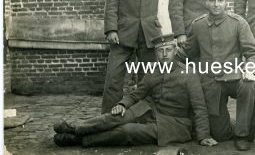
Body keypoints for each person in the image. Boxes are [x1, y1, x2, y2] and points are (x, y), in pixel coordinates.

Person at [53, 34, 217, 148]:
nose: (165, 54)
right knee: (116, 117)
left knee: (128, 131)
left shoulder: (188, 73)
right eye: (160, 50)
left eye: (168, 49)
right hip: (150, 110)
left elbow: (199, 107)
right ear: (156, 53)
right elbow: (137, 93)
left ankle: (79, 140)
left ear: (175, 50)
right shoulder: (153, 71)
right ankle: (76, 128)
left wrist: (204, 136)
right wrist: (123, 104)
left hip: (174, 123)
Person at [183, 0, 255, 151]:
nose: (216, 4)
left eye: (220, 0)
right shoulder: (198, 25)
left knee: (248, 86)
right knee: (220, 134)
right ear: (206, 2)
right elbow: (189, 53)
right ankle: (249, 125)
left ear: (226, 2)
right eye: (212, 0)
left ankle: (242, 135)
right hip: (211, 82)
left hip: (234, 78)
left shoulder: (238, 23)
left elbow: (253, 53)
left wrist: (250, 69)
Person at [102, 0, 173, 114]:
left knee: (147, 79)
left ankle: (143, 115)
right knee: (113, 78)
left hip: (150, 35)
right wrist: (111, 29)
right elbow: (111, 2)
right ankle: (108, 118)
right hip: (123, 34)